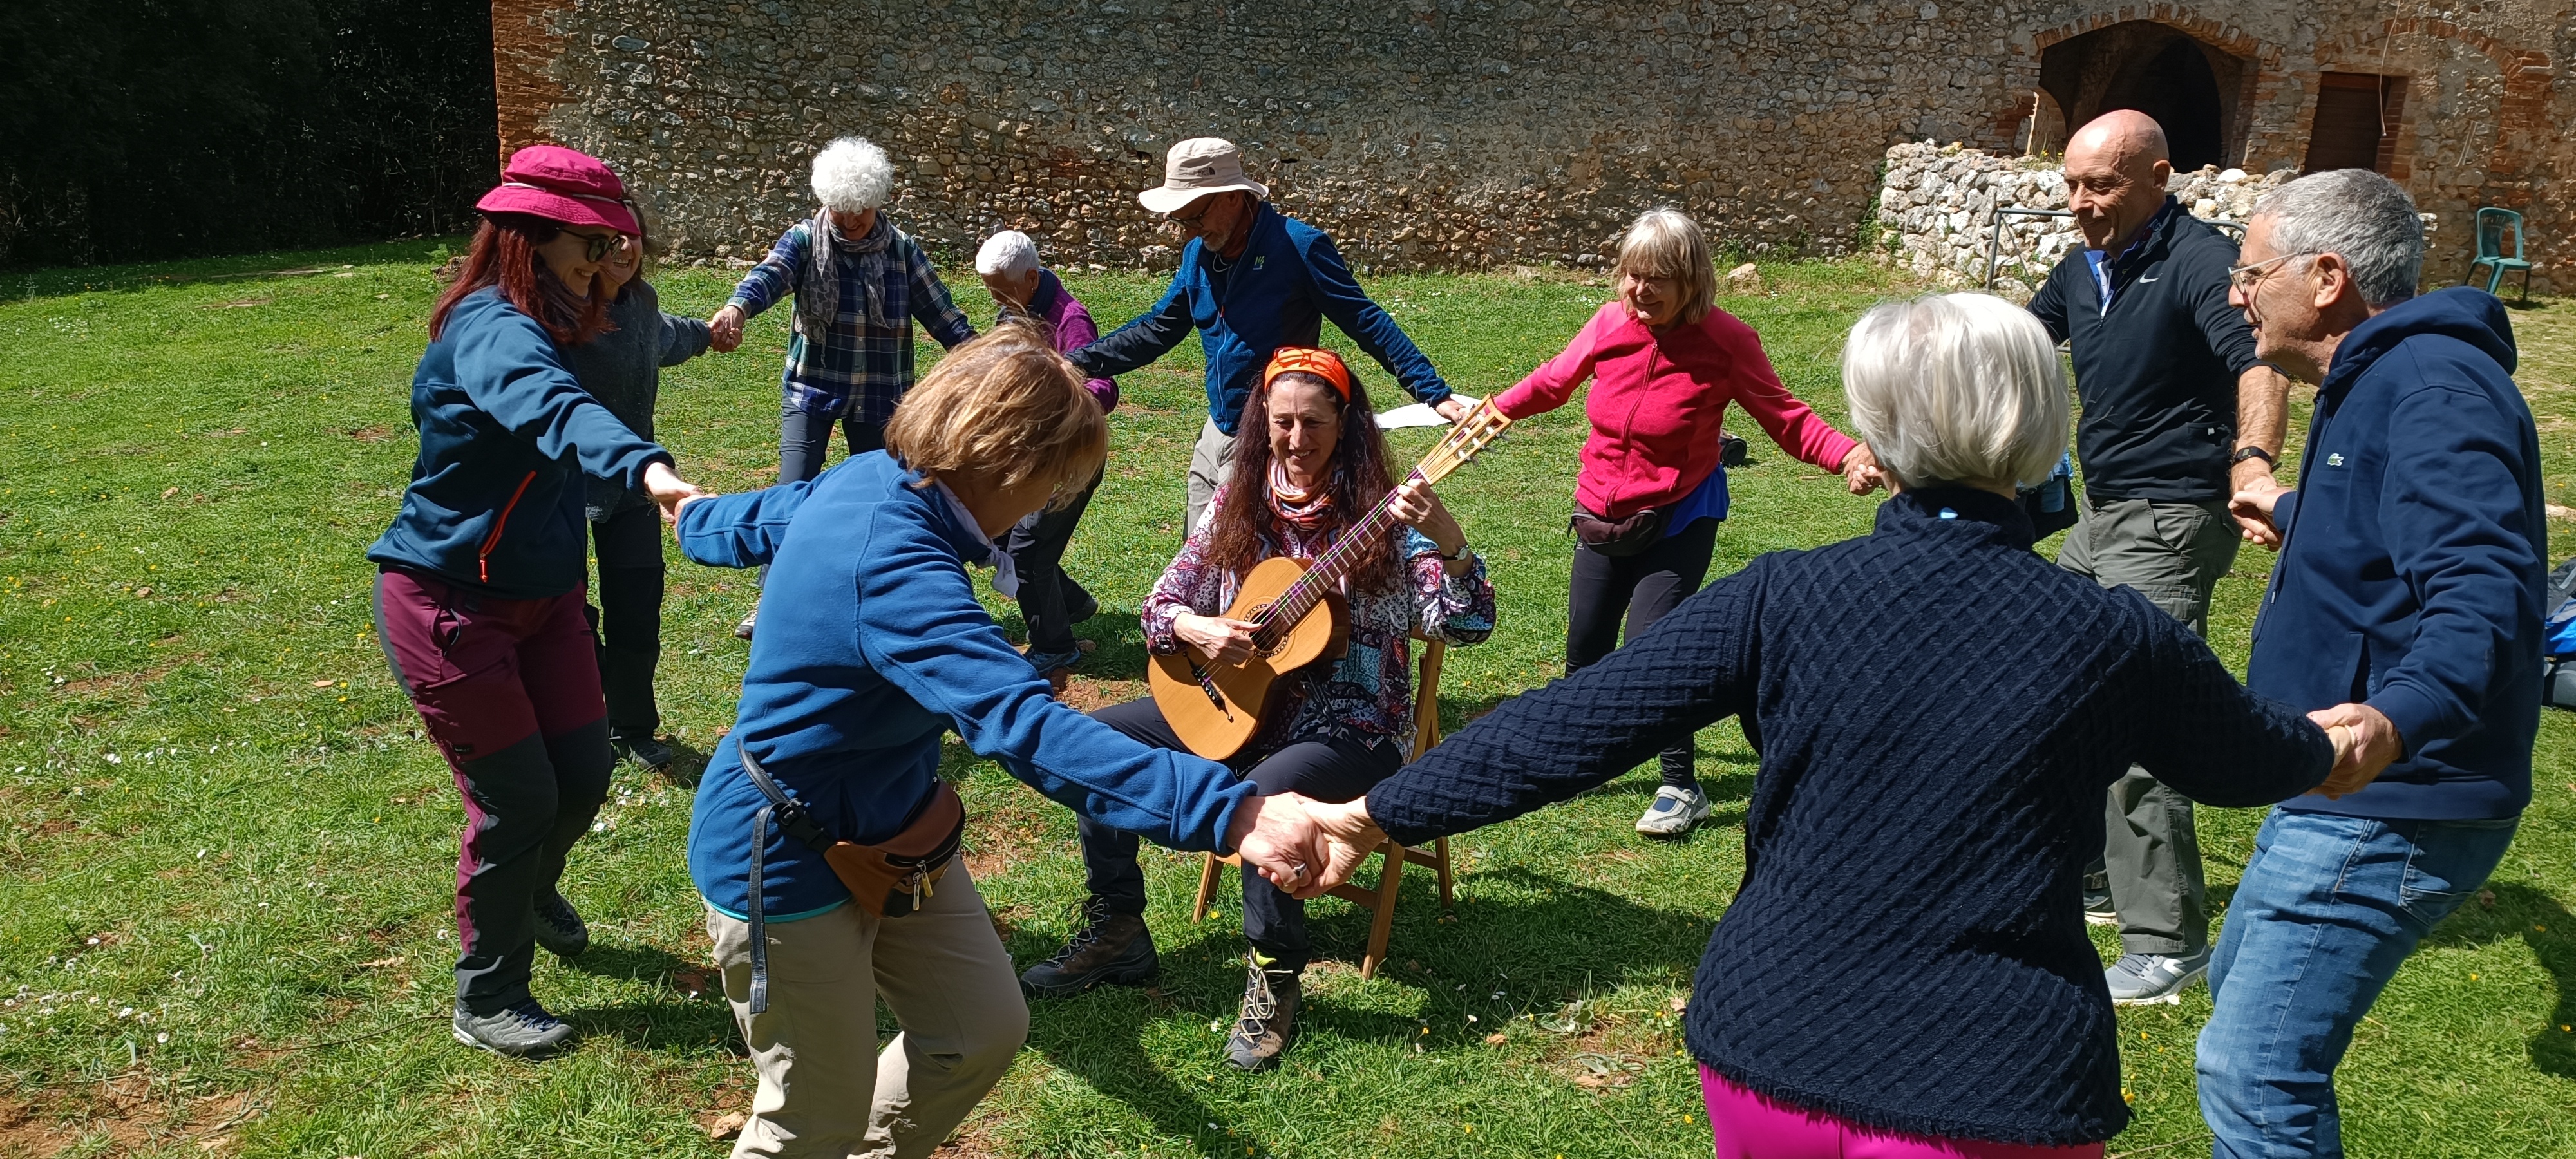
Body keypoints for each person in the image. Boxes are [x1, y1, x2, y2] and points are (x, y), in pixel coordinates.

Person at [1289, 292, 2367, 1159]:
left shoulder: (1784, 597)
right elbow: (2256, 759)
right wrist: (2353, 740)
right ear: (2042, 431)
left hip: (1770, 1057)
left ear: (1880, 436)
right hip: (1990, 1083)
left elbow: (1569, 727)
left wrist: (1374, 813)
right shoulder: (2114, 634)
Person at [672, 324, 1333, 1157]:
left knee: (976, 1031)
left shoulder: (878, 479)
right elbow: (1025, 724)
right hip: (786, 856)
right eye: (1056, 482)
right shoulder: (896, 565)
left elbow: (758, 515)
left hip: (896, 828)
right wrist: (1232, 813)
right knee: (811, 1118)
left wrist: (688, 515)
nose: (1052, 501)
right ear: (1011, 466)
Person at [1017, 346, 1496, 1071]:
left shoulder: (1387, 517)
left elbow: (1466, 625)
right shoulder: (1239, 499)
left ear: (1346, 423)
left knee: (1264, 795)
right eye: (1282, 422)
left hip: (1349, 723)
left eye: (1314, 423)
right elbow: (1161, 603)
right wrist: (1198, 629)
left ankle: (1274, 976)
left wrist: (1453, 545)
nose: (1296, 440)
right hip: (1237, 705)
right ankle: (1117, 927)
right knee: (1094, 747)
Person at [2204, 169, 2545, 1158]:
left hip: (2394, 798)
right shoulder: (2379, 378)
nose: (2236, 294)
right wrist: (2292, 508)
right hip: (2336, 785)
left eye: (2251, 273)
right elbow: (2396, 533)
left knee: (2257, 1073)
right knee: (2241, 1006)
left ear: (2326, 277)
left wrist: (2400, 716)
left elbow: (2485, 595)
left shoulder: (2432, 388)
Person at [365, 144, 707, 1057]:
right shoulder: (491, 326)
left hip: (548, 597)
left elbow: (639, 348)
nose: (608, 258)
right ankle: (488, 995)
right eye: (592, 243)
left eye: (616, 242)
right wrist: (647, 469)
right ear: (531, 238)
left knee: (584, 775)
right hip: (451, 605)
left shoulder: (577, 315)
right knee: (517, 801)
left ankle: (526, 888)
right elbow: (551, 405)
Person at [2025, 110, 2301, 1004]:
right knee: (2053, 684)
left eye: (2101, 185)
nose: (2081, 203)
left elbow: (2259, 363)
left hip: (2173, 516)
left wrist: (2253, 463)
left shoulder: (2197, 262)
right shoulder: (2085, 266)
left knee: (2140, 713)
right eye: (2072, 185)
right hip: (2102, 511)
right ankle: (2098, 873)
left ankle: (2167, 942)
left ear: (2157, 178)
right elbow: (2019, 342)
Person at [1489, 209, 1880, 838]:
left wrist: (1848, 455)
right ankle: (1579, 762)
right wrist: (1490, 415)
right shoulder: (1610, 323)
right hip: (1601, 513)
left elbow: (1785, 417)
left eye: (1657, 279)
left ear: (1691, 281)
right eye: (1632, 275)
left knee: (1655, 652)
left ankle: (1680, 785)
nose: (1639, 291)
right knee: (1586, 648)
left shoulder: (1726, 341)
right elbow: (1553, 382)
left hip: (1678, 517)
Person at [1066, 137, 1468, 533]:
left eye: (1195, 217)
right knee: (1196, 550)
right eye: (1181, 221)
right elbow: (1158, 328)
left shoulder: (1299, 248)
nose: (1190, 232)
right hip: (1218, 428)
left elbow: (1365, 321)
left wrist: (1435, 394)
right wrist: (1078, 362)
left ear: (1231, 197)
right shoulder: (1198, 256)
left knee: (1238, 550)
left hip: (1270, 433)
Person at [708, 135, 976, 638]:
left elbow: (945, 317)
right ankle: (771, 602)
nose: (850, 222)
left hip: (879, 396)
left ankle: (878, 598)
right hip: (812, 389)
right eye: (840, 211)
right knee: (790, 493)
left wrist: (987, 363)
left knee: (882, 501)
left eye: (860, 212)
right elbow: (768, 276)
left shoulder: (902, 251)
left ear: (877, 201)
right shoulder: (805, 239)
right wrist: (737, 308)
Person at [560, 202, 712, 770]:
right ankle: (583, 715)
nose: (625, 248)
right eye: (612, 238)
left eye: (634, 236)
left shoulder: (641, 305)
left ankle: (633, 727)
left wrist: (712, 334)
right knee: (568, 617)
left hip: (634, 489)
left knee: (638, 615)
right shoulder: (558, 313)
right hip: (564, 490)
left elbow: (671, 336)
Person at [974, 229, 1118, 680]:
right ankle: (1071, 604)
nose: (995, 299)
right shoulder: (1013, 311)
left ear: (1032, 279)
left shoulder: (1071, 320)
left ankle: (1055, 647)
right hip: (1026, 457)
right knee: (1002, 534)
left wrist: (1052, 403)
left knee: (1028, 549)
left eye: (1001, 289)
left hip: (1070, 460)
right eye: (990, 289)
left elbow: (1105, 388)